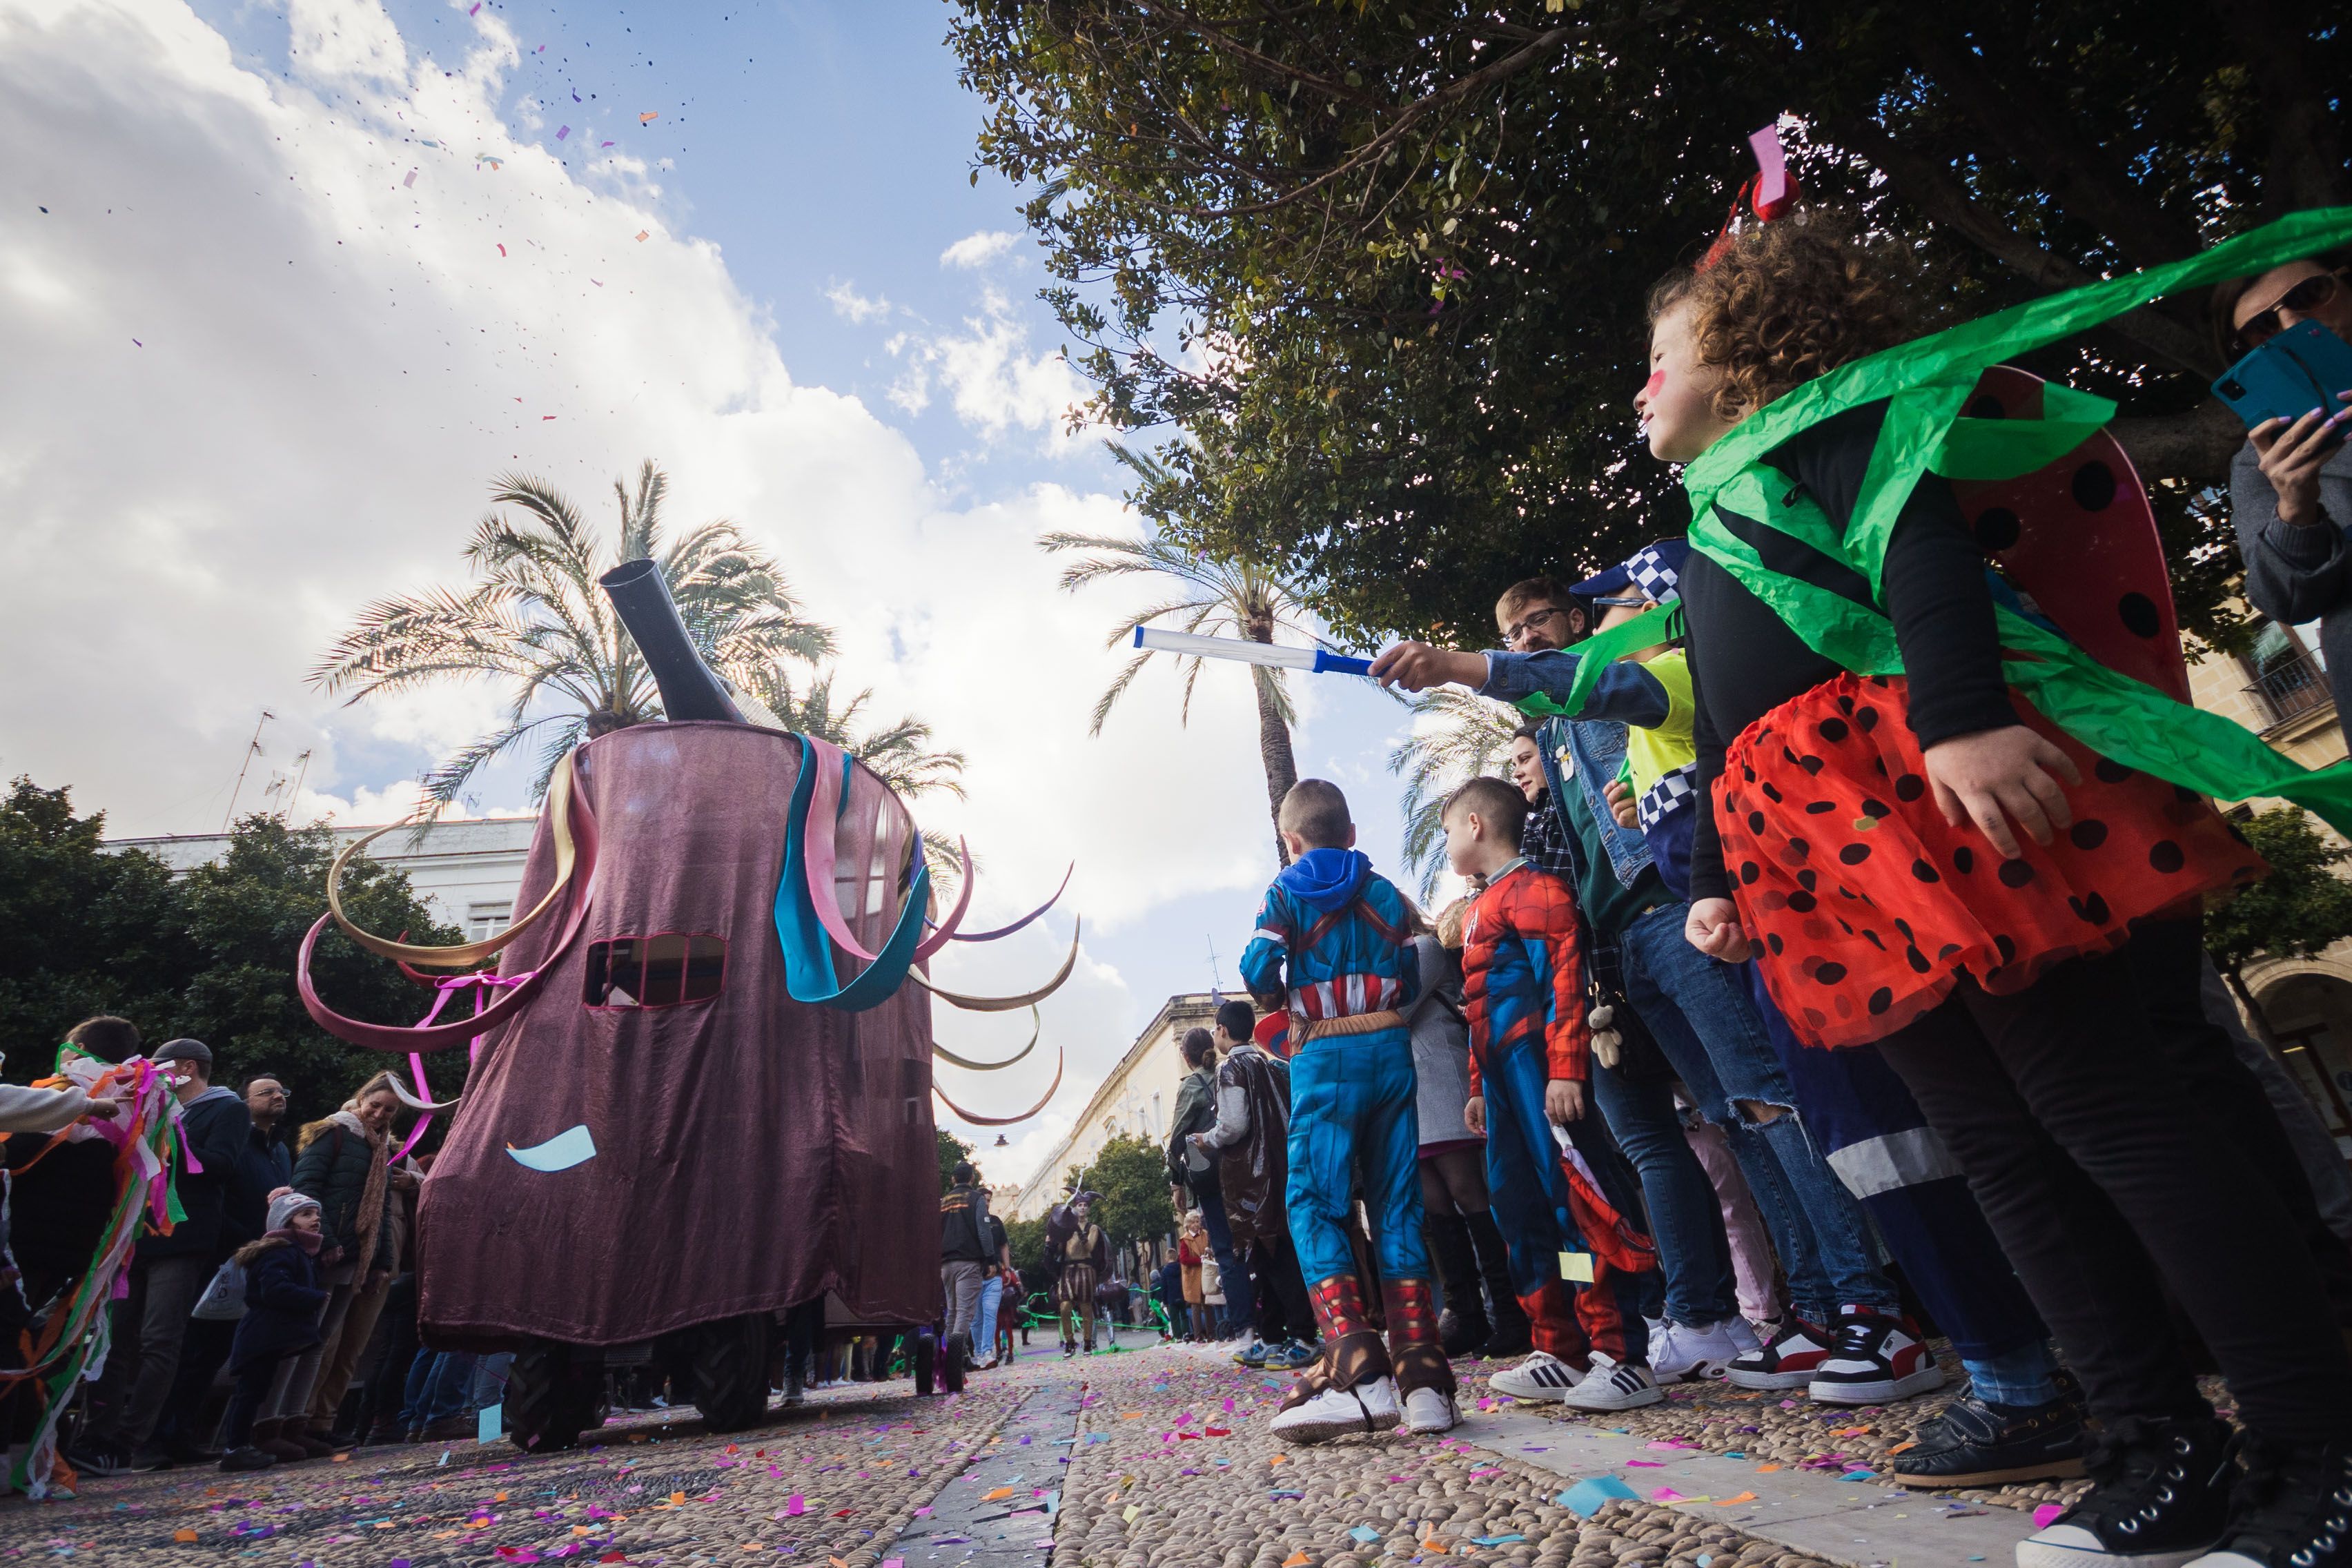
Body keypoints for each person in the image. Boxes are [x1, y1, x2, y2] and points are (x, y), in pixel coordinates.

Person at [1638, 212, 2352, 1568]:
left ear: (1744, 354)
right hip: (1817, 850)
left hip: (1924, 800)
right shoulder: (1717, 504)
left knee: (2106, 1107)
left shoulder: (1828, 429)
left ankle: (2318, 1439)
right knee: (1997, 1143)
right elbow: (1730, 715)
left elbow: (1922, 549)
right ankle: (2152, 1442)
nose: (1641, 384)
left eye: (1659, 354)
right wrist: (1716, 871)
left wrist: (1961, 710)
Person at [1375, 566, 1937, 1408]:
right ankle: (1811, 1314)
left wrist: (1465, 666)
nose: (1527, 639)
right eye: (1513, 629)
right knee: (1734, 1120)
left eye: (1537, 622)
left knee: (1767, 1103)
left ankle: (1871, 1306)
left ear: (1579, 619)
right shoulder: (1555, 732)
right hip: (1624, 943)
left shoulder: (1620, 681)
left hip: (1676, 910)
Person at [1242, 778, 1456, 1442]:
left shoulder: (1287, 890)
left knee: (1316, 1205)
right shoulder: (1388, 891)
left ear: (1292, 841)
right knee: (1398, 1204)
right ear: (1353, 834)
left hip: (1325, 1055)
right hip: (1391, 1049)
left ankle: (1360, 1373)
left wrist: (1282, 998)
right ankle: (1424, 1384)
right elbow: (1415, 968)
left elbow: (1257, 966)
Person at [1445, 777, 1665, 1412]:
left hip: (1543, 1077)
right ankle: (1561, 1346)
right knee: (1523, 1210)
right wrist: (1480, 1086)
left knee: (1580, 1206)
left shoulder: (1538, 890)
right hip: (1507, 1089)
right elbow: (1478, 1009)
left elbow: (1564, 985)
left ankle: (1621, 1352)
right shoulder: (1485, 905)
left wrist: (1567, 1070)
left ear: (1478, 825)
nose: (1450, 841)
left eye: (1450, 829)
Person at [70, 1038, 250, 1476]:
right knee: (114, 1339)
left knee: (158, 1340)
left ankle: (128, 1440)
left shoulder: (226, 1109)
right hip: (135, 1234)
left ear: (188, 1067)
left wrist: (167, 1143)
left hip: (183, 1237)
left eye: (161, 1067)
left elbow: (222, 1166)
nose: (153, 1074)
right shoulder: (153, 1106)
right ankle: (95, 1435)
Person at [2213, 251, 2352, 752]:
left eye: (2308, 295)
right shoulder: (2261, 464)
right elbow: (2284, 600)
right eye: (2262, 327)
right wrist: (2296, 507)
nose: (2292, 322)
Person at [1402, 912, 1531, 1362]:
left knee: (1468, 1191)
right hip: (1407, 1097)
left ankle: (1512, 1311)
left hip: (1441, 1083)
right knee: (1435, 1203)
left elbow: (1394, 1010)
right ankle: (1466, 1313)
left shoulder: (1424, 949)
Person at [151, 1072, 300, 1464]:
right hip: (226, 1255)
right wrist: (242, 1243)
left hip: (261, 1260)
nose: (276, 1096)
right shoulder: (237, 1142)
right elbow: (220, 1196)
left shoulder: (280, 1151)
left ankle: (189, 1433)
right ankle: (166, 1435)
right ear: (245, 1101)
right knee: (198, 1347)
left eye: (280, 1090)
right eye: (264, 1091)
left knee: (220, 1351)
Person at [275, 1071, 401, 1458]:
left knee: (328, 1344)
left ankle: (307, 1424)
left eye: (389, 1110)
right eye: (374, 1105)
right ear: (360, 1099)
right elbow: (306, 1188)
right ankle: (278, 1422)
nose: (379, 1114)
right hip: (327, 1251)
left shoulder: (380, 1147)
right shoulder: (333, 1132)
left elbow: (378, 1209)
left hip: (356, 1258)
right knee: (310, 1340)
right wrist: (325, 1240)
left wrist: (381, 1260)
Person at [1192, 998, 1317, 1370]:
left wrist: (1205, 1140)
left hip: (1252, 1179)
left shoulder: (1231, 1069)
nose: (1215, 1035)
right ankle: (1274, 1337)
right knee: (1266, 1258)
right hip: (1281, 1170)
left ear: (1224, 1031)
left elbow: (1233, 1125)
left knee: (1275, 1258)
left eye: (1216, 1029)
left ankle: (1303, 1336)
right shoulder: (1271, 1065)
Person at [214, 1192, 329, 1473]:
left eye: (317, 1214)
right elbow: (275, 1290)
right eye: (307, 1215)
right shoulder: (279, 1252)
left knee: (256, 1390)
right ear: (287, 1222)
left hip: (269, 1337)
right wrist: (313, 1297)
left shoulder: (296, 1253)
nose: (315, 1220)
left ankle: (241, 1444)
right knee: (249, 1392)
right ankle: (235, 1447)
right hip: (261, 1336)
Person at [1167, 1028, 1252, 1339]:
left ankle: (1245, 1329)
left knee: (1226, 1251)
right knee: (1256, 1244)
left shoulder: (1192, 1086)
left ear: (1185, 1056)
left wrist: (1178, 1183)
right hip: (1249, 1172)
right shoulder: (1234, 1073)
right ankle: (1276, 1326)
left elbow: (1178, 1139)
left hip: (1214, 1179)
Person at [939, 1161, 992, 1365]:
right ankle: (955, 1357)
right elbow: (983, 1231)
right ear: (972, 1178)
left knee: (951, 1311)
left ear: (953, 1179)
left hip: (945, 1263)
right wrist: (990, 1258)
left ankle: (946, 1354)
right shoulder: (976, 1198)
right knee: (964, 1311)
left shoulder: (943, 1201)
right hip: (968, 1262)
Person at [1048, 1194, 1109, 1355]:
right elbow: (1061, 1249)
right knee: (1065, 1306)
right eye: (1080, 1204)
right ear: (1075, 1207)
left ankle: (1088, 1342)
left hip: (1085, 1269)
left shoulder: (1093, 1228)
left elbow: (1089, 1248)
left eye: (1085, 1205)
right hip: (1068, 1270)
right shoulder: (1066, 1227)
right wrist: (1053, 1241)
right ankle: (1070, 1342)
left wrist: (1081, 1235)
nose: (1082, 1207)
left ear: (1089, 1209)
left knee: (1086, 1308)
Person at [977, 1209, 1011, 1369]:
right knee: (976, 1318)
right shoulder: (972, 1220)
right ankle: (978, 1353)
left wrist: (1008, 1269)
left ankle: (987, 1351)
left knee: (990, 1313)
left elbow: (1004, 1244)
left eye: (989, 1199)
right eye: (984, 1199)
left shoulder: (996, 1221)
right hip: (975, 1275)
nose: (987, 1202)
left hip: (994, 1276)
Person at [1177, 1211, 1208, 1340]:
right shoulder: (1185, 1240)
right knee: (1196, 1305)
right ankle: (1198, 1336)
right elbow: (1184, 1259)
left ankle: (1212, 1333)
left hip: (1205, 1273)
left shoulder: (1205, 1235)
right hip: (1192, 1276)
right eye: (1194, 1222)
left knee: (1208, 1303)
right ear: (1188, 1225)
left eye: (1198, 1221)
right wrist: (1199, 1260)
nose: (1197, 1224)